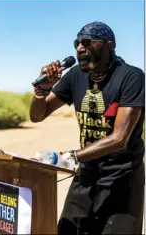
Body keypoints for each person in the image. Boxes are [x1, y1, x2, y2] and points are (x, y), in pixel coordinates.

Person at [29, 21, 145, 235]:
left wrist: (72, 157)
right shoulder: (75, 76)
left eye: (87, 42)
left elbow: (119, 138)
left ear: (109, 45)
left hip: (122, 178)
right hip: (86, 173)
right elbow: (38, 115)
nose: (79, 48)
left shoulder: (131, 77)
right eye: (77, 43)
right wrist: (42, 91)